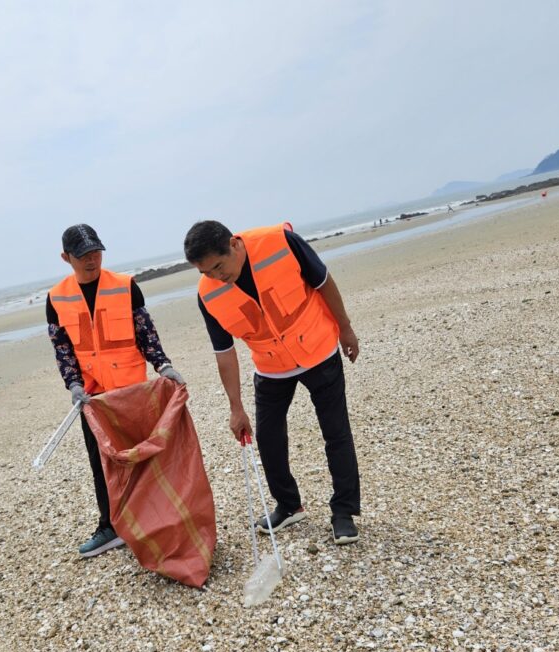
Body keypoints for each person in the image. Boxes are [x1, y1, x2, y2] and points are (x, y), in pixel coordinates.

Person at [184, 220, 361, 545]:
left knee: (336, 433)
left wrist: (345, 329)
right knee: (267, 438)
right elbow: (224, 352)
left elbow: (323, 282)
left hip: (318, 350)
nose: (216, 277)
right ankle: (289, 505)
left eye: (219, 266)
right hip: (270, 366)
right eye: (206, 272)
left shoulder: (281, 243)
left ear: (235, 245)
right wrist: (235, 408)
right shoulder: (208, 295)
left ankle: (344, 512)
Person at [47, 223, 185, 558]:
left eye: (96, 252)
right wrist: (74, 384)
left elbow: (144, 332)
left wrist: (163, 365)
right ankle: (110, 527)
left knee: (144, 457)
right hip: (93, 398)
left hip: (131, 392)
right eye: (83, 255)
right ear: (66, 258)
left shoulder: (125, 286)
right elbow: (62, 348)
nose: (92, 259)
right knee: (102, 462)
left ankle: (156, 519)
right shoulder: (56, 298)